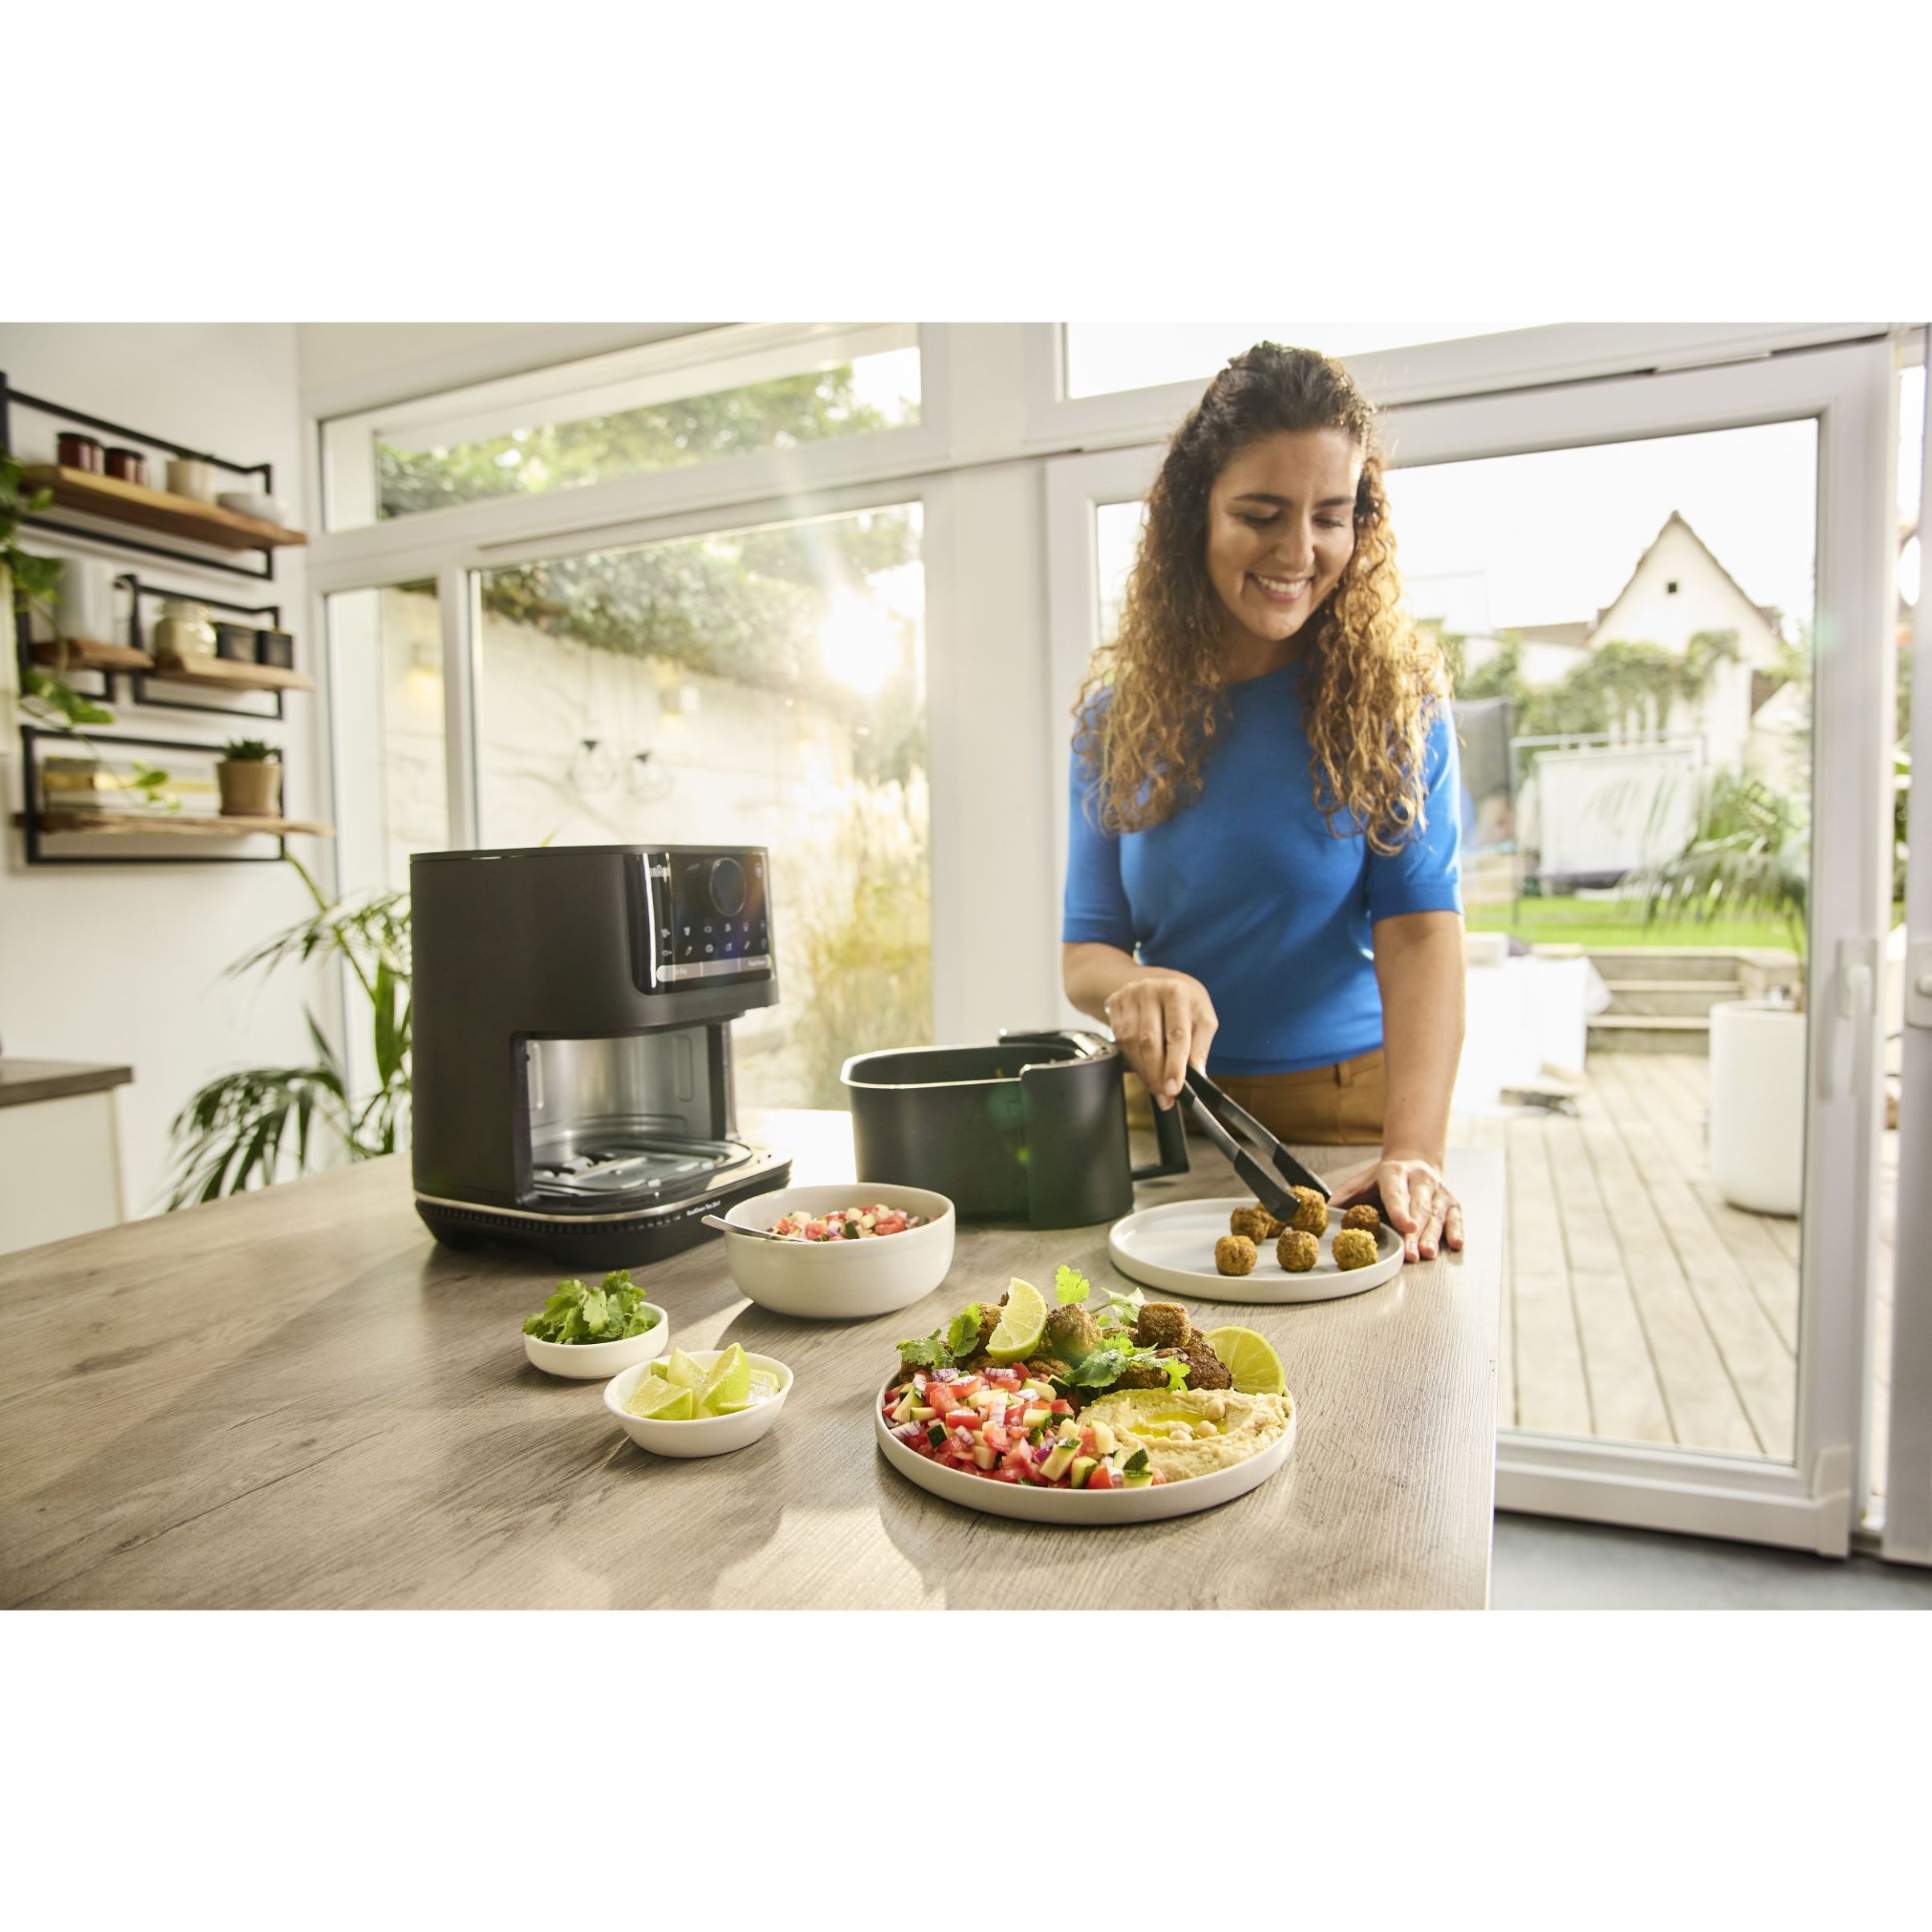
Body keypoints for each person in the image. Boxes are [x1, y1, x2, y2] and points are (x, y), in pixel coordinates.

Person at [1061, 343, 1466, 1262]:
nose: (1297, 552)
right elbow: (1085, 947)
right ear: (1193, 515)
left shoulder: (1395, 703)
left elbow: (1419, 932)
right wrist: (1135, 983)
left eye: (1329, 516)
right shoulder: (1114, 715)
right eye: (1259, 514)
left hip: (1344, 1121)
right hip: (1164, 1115)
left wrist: (1413, 1147)